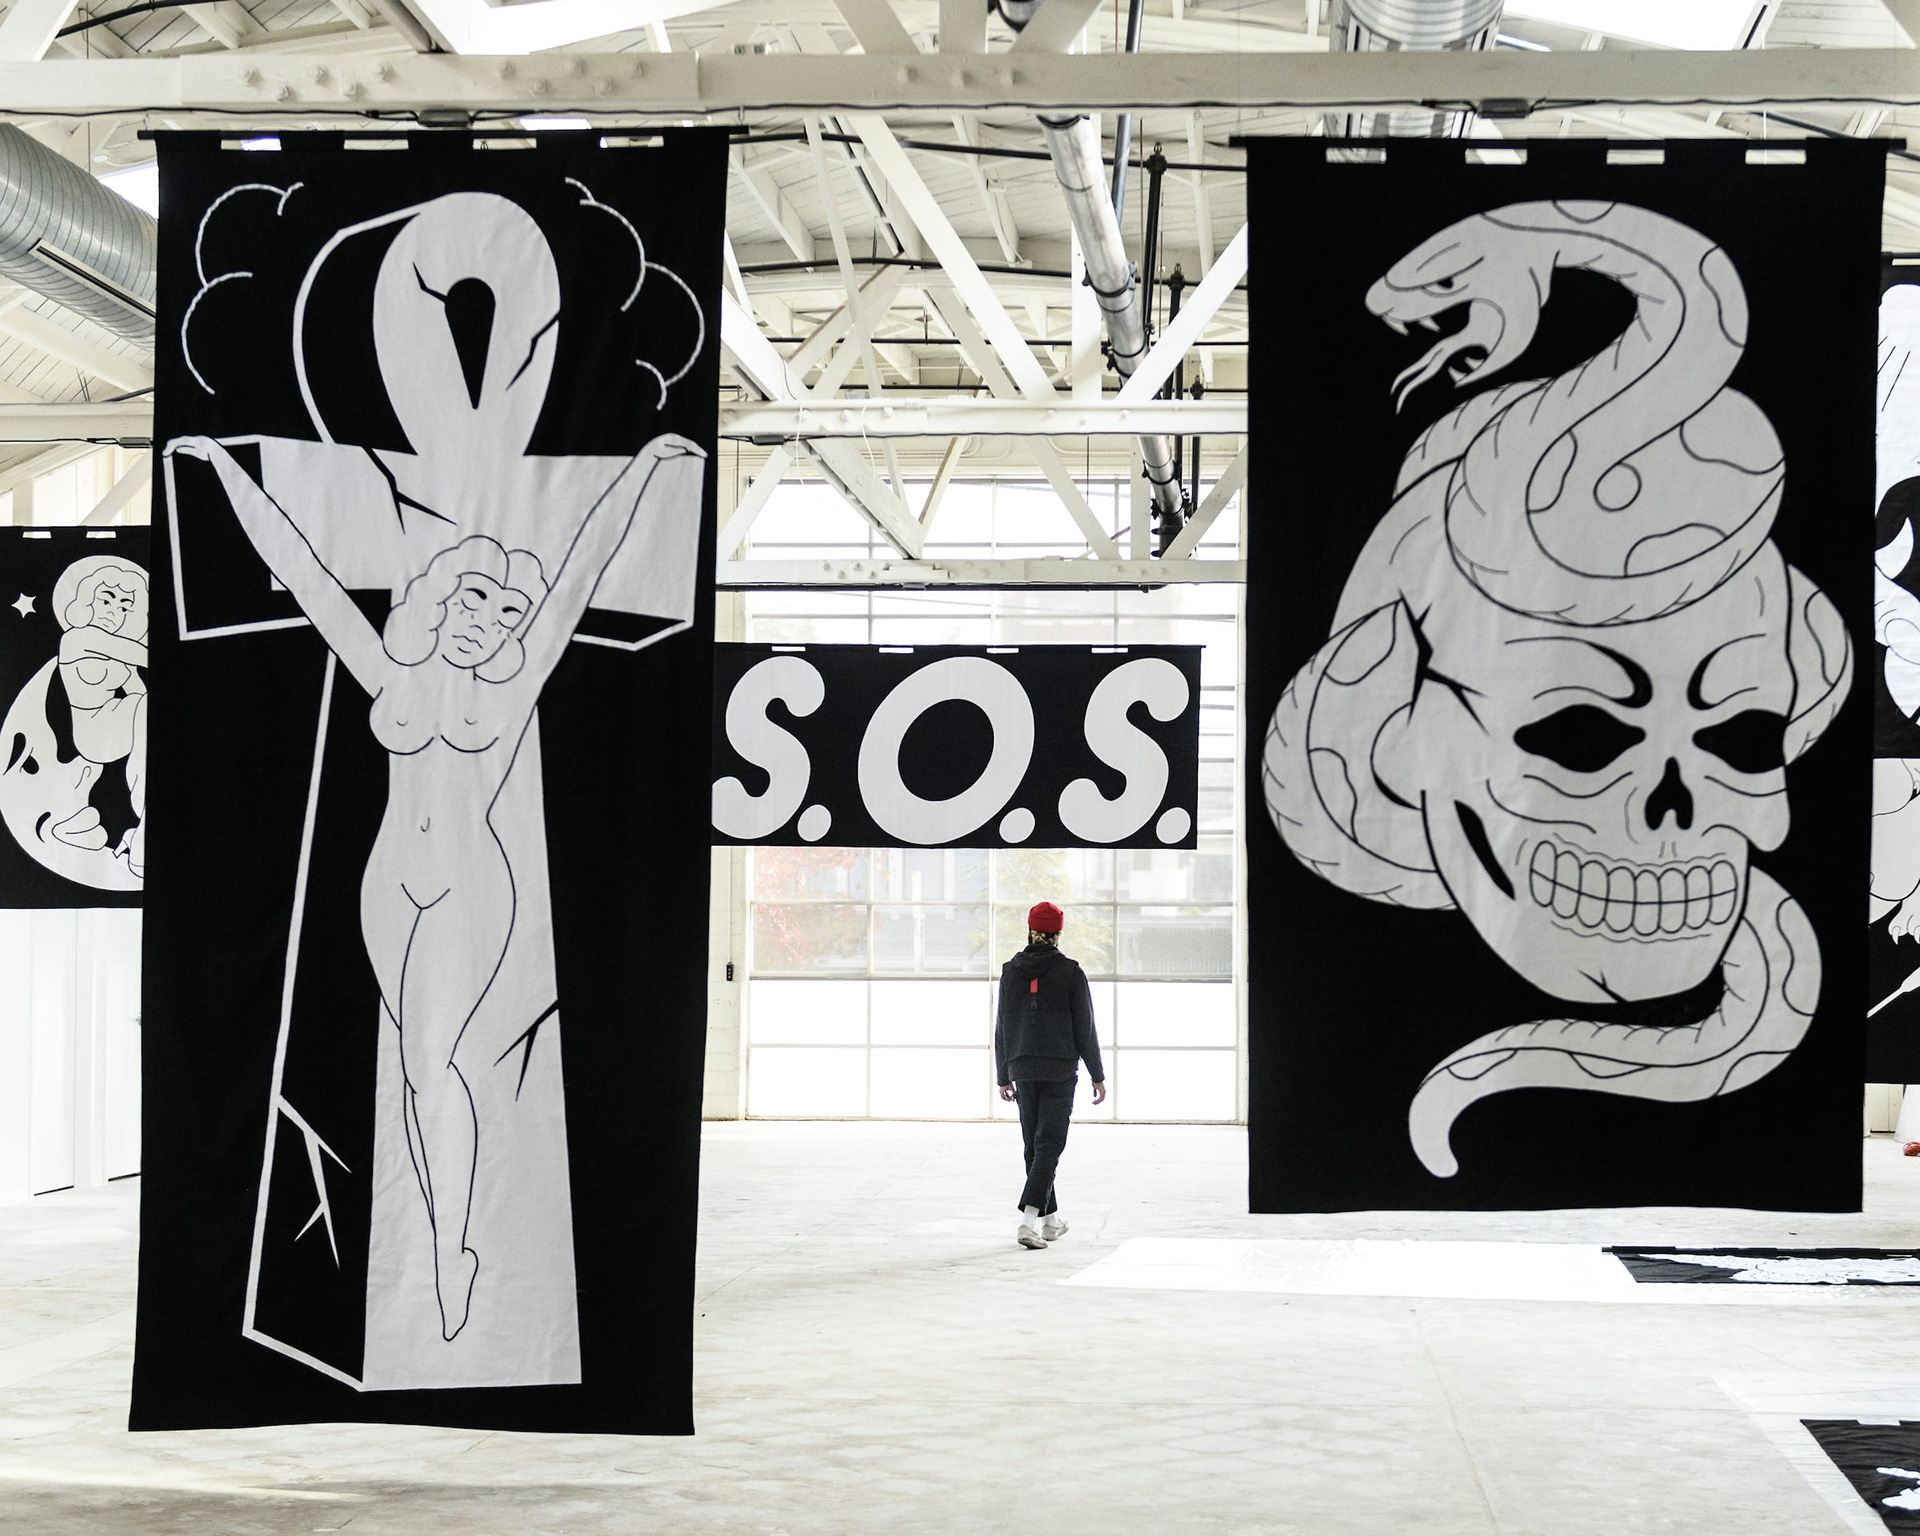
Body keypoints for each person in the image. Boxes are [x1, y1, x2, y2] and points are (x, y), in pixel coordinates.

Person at [167, 431, 695, 1341]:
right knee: (423, 1075)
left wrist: (641, 470)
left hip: (467, 885)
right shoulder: (389, 674)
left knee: (427, 1067)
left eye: (505, 612)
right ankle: (447, 1238)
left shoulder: (511, 691)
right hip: (388, 883)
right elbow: (305, 575)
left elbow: (579, 571)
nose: (486, 618)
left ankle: (451, 1251)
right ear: (442, 598)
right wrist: (224, 471)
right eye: (474, 597)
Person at [995, 900, 1105, 1250]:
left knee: (1035, 1147)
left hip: (1022, 1068)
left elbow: (1002, 1026)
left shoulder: (1010, 971)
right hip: (1059, 1069)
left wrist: (1003, 1074)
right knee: (1049, 1145)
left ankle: (1050, 1221)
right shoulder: (1071, 972)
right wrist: (1097, 1074)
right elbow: (1085, 1028)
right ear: (1058, 933)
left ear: (1030, 930)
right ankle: (1027, 1223)